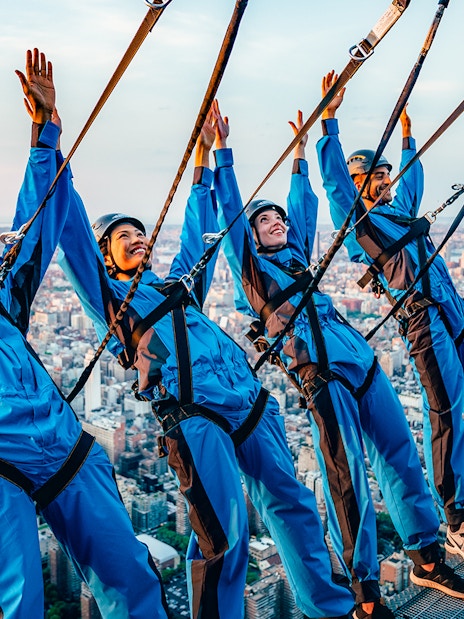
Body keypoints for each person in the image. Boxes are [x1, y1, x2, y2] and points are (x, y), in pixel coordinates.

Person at [57, 104, 356, 619]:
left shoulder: (178, 286)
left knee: (295, 506)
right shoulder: (115, 304)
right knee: (226, 533)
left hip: (246, 398)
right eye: (123, 237)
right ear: (107, 256)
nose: (137, 238)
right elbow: (75, 245)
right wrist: (54, 152)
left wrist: (207, 159)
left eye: (140, 232)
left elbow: (197, 233)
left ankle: (329, 607)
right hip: (194, 413)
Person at [212, 101, 464, 619]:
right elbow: (235, 218)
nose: (277, 221)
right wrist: (223, 158)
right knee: (347, 477)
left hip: (360, 359)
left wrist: (300, 155)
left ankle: (425, 554)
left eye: (278, 216)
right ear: (251, 237)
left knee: (399, 456)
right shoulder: (254, 275)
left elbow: (303, 207)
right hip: (320, 373)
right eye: (265, 220)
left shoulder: (299, 256)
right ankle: (365, 593)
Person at [0, 49, 171, 619]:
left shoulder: (4, 298)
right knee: (18, 599)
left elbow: (35, 224)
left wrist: (45, 133)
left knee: (130, 570)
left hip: (63, 443)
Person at [317, 70, 464, 558]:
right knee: (444, 405)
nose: (383, 183)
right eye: (373, 177)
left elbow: (414, 180)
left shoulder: (398, 213)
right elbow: (337, 187)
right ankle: (456, 512)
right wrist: (330, 125)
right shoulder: (361, 225)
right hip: (423, 316)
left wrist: (407, 137)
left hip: (449, 304)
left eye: (384, 176)